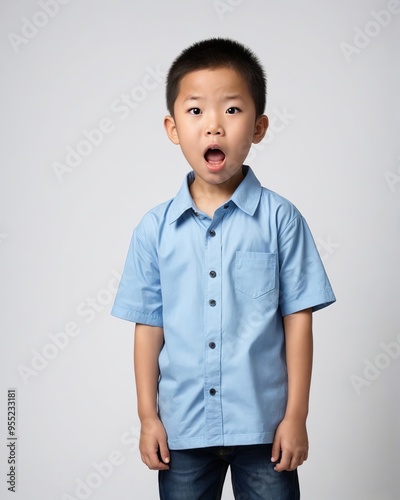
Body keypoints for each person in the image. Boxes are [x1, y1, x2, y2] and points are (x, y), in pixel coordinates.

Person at [111, 38, 336, 500]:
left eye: (232, 110)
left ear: (259, 126)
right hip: (183, 430)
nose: (213, 126)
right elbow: (148, 327)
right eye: (196, 112)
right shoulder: (154, 229)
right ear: (172, 128)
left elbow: (298, 323)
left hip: (264, 429)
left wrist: (296, 417)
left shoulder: (280, 219)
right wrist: (148, 417)